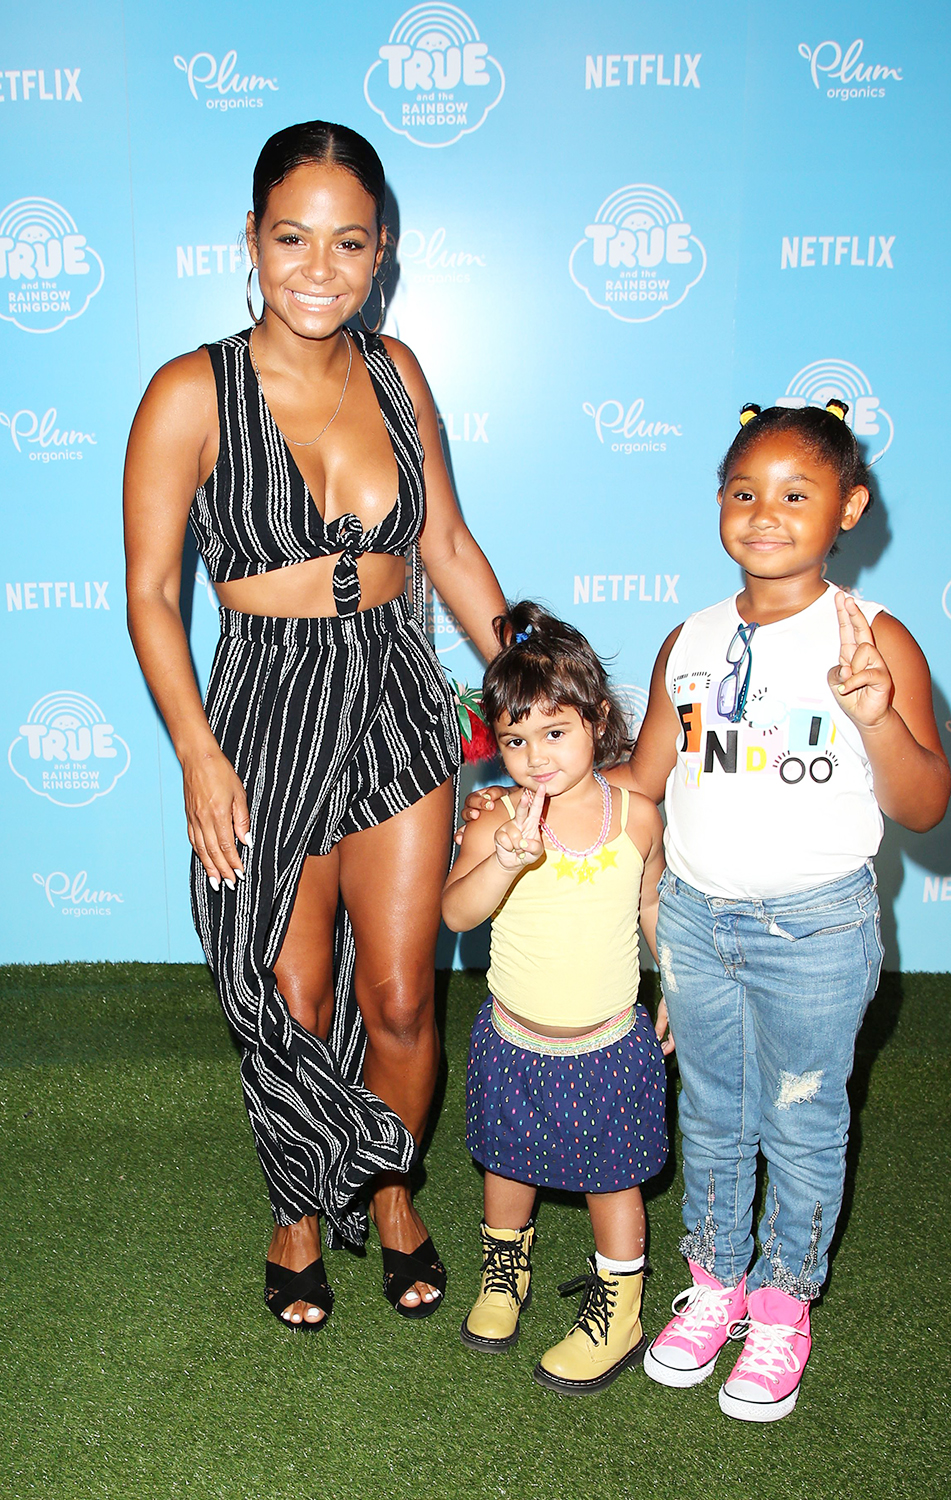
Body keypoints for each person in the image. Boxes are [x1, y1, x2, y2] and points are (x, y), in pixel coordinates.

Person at [461, 401, 950, 1418]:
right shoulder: (689, 641)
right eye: (742, 492)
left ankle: (781, 1304)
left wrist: (877, 716)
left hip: (813, 927)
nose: (763, 514)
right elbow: (639, 779)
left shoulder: (870, 639)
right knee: (713, 1116)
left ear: (848, 507)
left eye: (794, 493)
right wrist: (535, 786)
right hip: (693, 920)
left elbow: (923, 803)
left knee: (801, 1119)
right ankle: (715, 1284)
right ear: (719, 505)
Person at [124, 120, 506, 1332]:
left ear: (380, 251)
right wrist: (197, 751)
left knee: (399, 996)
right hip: (263, 705)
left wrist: (527, 688)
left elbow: (441, 543)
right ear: (252, 240)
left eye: (349, 242)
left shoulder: (396, 372)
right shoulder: (192, 390)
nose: (320, 266)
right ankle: (299, 1203)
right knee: (285, 995)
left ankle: (388, 1190)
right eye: (293, 237)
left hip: (396, 685)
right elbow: (148, 595)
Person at [442, 603, 668, 1394]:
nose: (534, 757)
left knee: (615, 1181)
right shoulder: (497, 814)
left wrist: (672, 978)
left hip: (608, 1042)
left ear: (596, 720)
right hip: (514, 1039)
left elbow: (651, 908)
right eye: (514, 739)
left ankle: (621, 1305)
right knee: (507, 1164)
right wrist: (502, 859)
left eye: (555, 733)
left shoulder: (636, 814)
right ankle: (505, 1271)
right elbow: (457, 913)